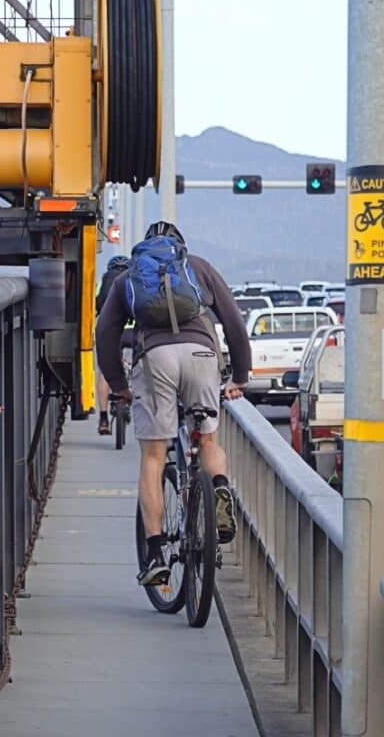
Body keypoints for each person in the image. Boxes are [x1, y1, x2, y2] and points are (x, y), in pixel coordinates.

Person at [96, 221, 251, 586]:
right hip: (201, 353)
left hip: (155, 358)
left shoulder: (129, 277)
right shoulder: (198, 267)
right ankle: (220, 488)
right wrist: (239, 377)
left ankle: (155, 555)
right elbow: (233, 323)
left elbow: (105, 334)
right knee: (207, 439)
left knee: (154, 456)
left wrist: (118, 386)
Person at [96, 255, 129, 435]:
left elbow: (97, 303)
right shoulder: (134, 279)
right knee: (139, 367)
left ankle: (103, 418)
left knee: (105, 372)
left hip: (110, 332)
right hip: (131, 333)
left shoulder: (105, 281)